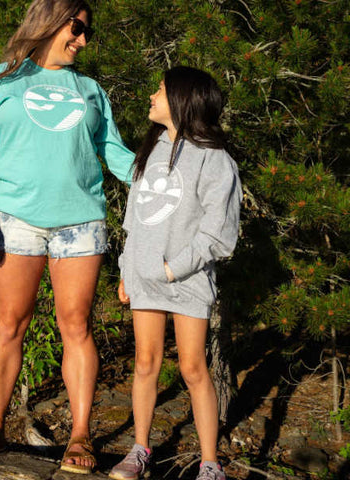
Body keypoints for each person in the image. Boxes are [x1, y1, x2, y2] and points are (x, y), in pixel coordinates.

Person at [0, 0, 134, 474]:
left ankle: (80, 435)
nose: (82, 40)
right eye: (76, 28)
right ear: (50, 22)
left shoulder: (91, 90)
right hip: (14, 218)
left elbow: (113, 153)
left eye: (86, 32)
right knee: (9, 323)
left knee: (76, 326)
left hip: (81, 223)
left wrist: (165, 178)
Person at [108, 66, 242, 480]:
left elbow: (218, 234)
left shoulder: (215, 159)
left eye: (161, 90)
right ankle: (140, 449)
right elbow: (133, 221)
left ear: (184, 99)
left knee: (192, 368)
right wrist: (126, 270)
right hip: (144, 275)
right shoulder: (150, 152)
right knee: (145, 364)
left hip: (187, 279)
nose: (152, 95)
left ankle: (209, 464)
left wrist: (172, 268)